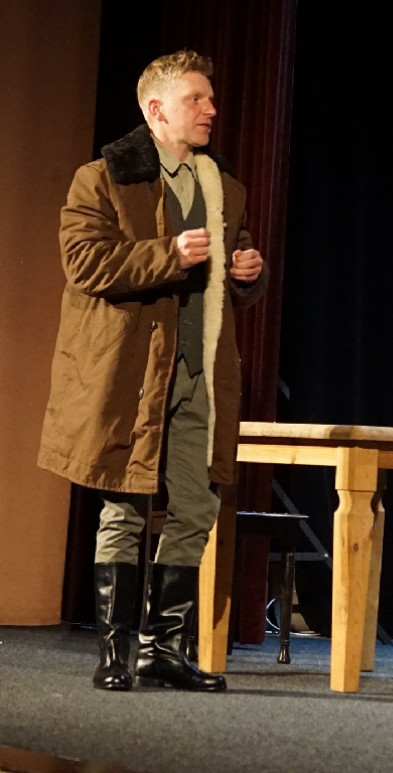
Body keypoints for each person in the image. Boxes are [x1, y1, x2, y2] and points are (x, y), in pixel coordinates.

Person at [37, 50, 268, 692]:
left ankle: (163, 648)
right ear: (155, 109)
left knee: (195, 507)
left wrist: (247, 272)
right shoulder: (102, 179)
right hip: (133, 369)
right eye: (197, 99)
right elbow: (87, 264)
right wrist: (169, 252)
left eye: (210, 98)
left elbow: (235, 267)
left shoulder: (223, 185)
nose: (211, 109)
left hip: (200, 372)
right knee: (126, 502)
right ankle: (115, 651)